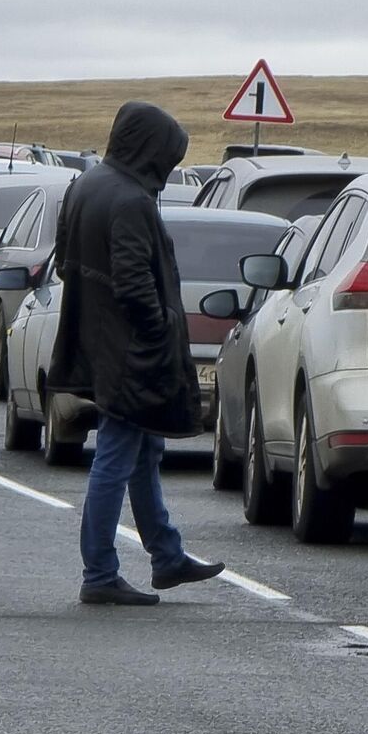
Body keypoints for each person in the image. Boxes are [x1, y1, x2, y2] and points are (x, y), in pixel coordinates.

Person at [48, 101, 225, 606]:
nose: (167, 168)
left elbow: (65, 262)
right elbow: (132, 282)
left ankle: (167, 555)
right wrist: (160, 325)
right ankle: (99, 572)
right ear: (149, 149)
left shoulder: (85, 184)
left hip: (99, 341)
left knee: (145, 450)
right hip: (130, 349)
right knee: (117, 454)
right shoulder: (130, 200)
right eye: (167, 156)